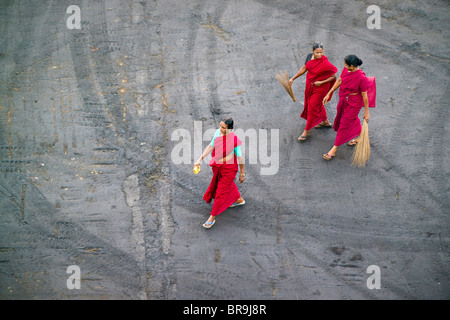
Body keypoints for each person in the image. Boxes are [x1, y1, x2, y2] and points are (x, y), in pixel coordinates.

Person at [193, 118, 245, 229]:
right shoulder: (218, 132)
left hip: (229, 169)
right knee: (226, 184)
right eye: (220, 126)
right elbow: (211, 146)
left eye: (223, 127)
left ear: (230, 129)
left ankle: (212, 217)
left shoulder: (234, 140)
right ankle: (238, 199)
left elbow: (240, 157)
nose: (220, 129)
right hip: (217, 165)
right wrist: (200, 159)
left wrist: (242, 173)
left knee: (220, 192)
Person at [322, 54, 370, 160]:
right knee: (348, 118)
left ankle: (334, 149)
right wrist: (329, 93)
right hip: (344, 99)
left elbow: (364, 95)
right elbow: (339, 80)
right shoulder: (346, 70)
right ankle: (360, 136)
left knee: (344, 124)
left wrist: (366, 112)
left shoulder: (361, 78)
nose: (344, 66)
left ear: (352, 66)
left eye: (345, 64)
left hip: (354, 103)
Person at [289, 42, 338, 142]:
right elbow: (304, 68)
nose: (319, 55)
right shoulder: (309, 57)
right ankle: (325, 122)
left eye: (321, 52)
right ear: (313, 51)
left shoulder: (325, 62)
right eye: (317, 53)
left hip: (321, 88)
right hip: (310, 85)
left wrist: (321, 82)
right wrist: (292, 79)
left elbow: (334, 76)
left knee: (312, 107)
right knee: (317, 105)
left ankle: (306, 131)